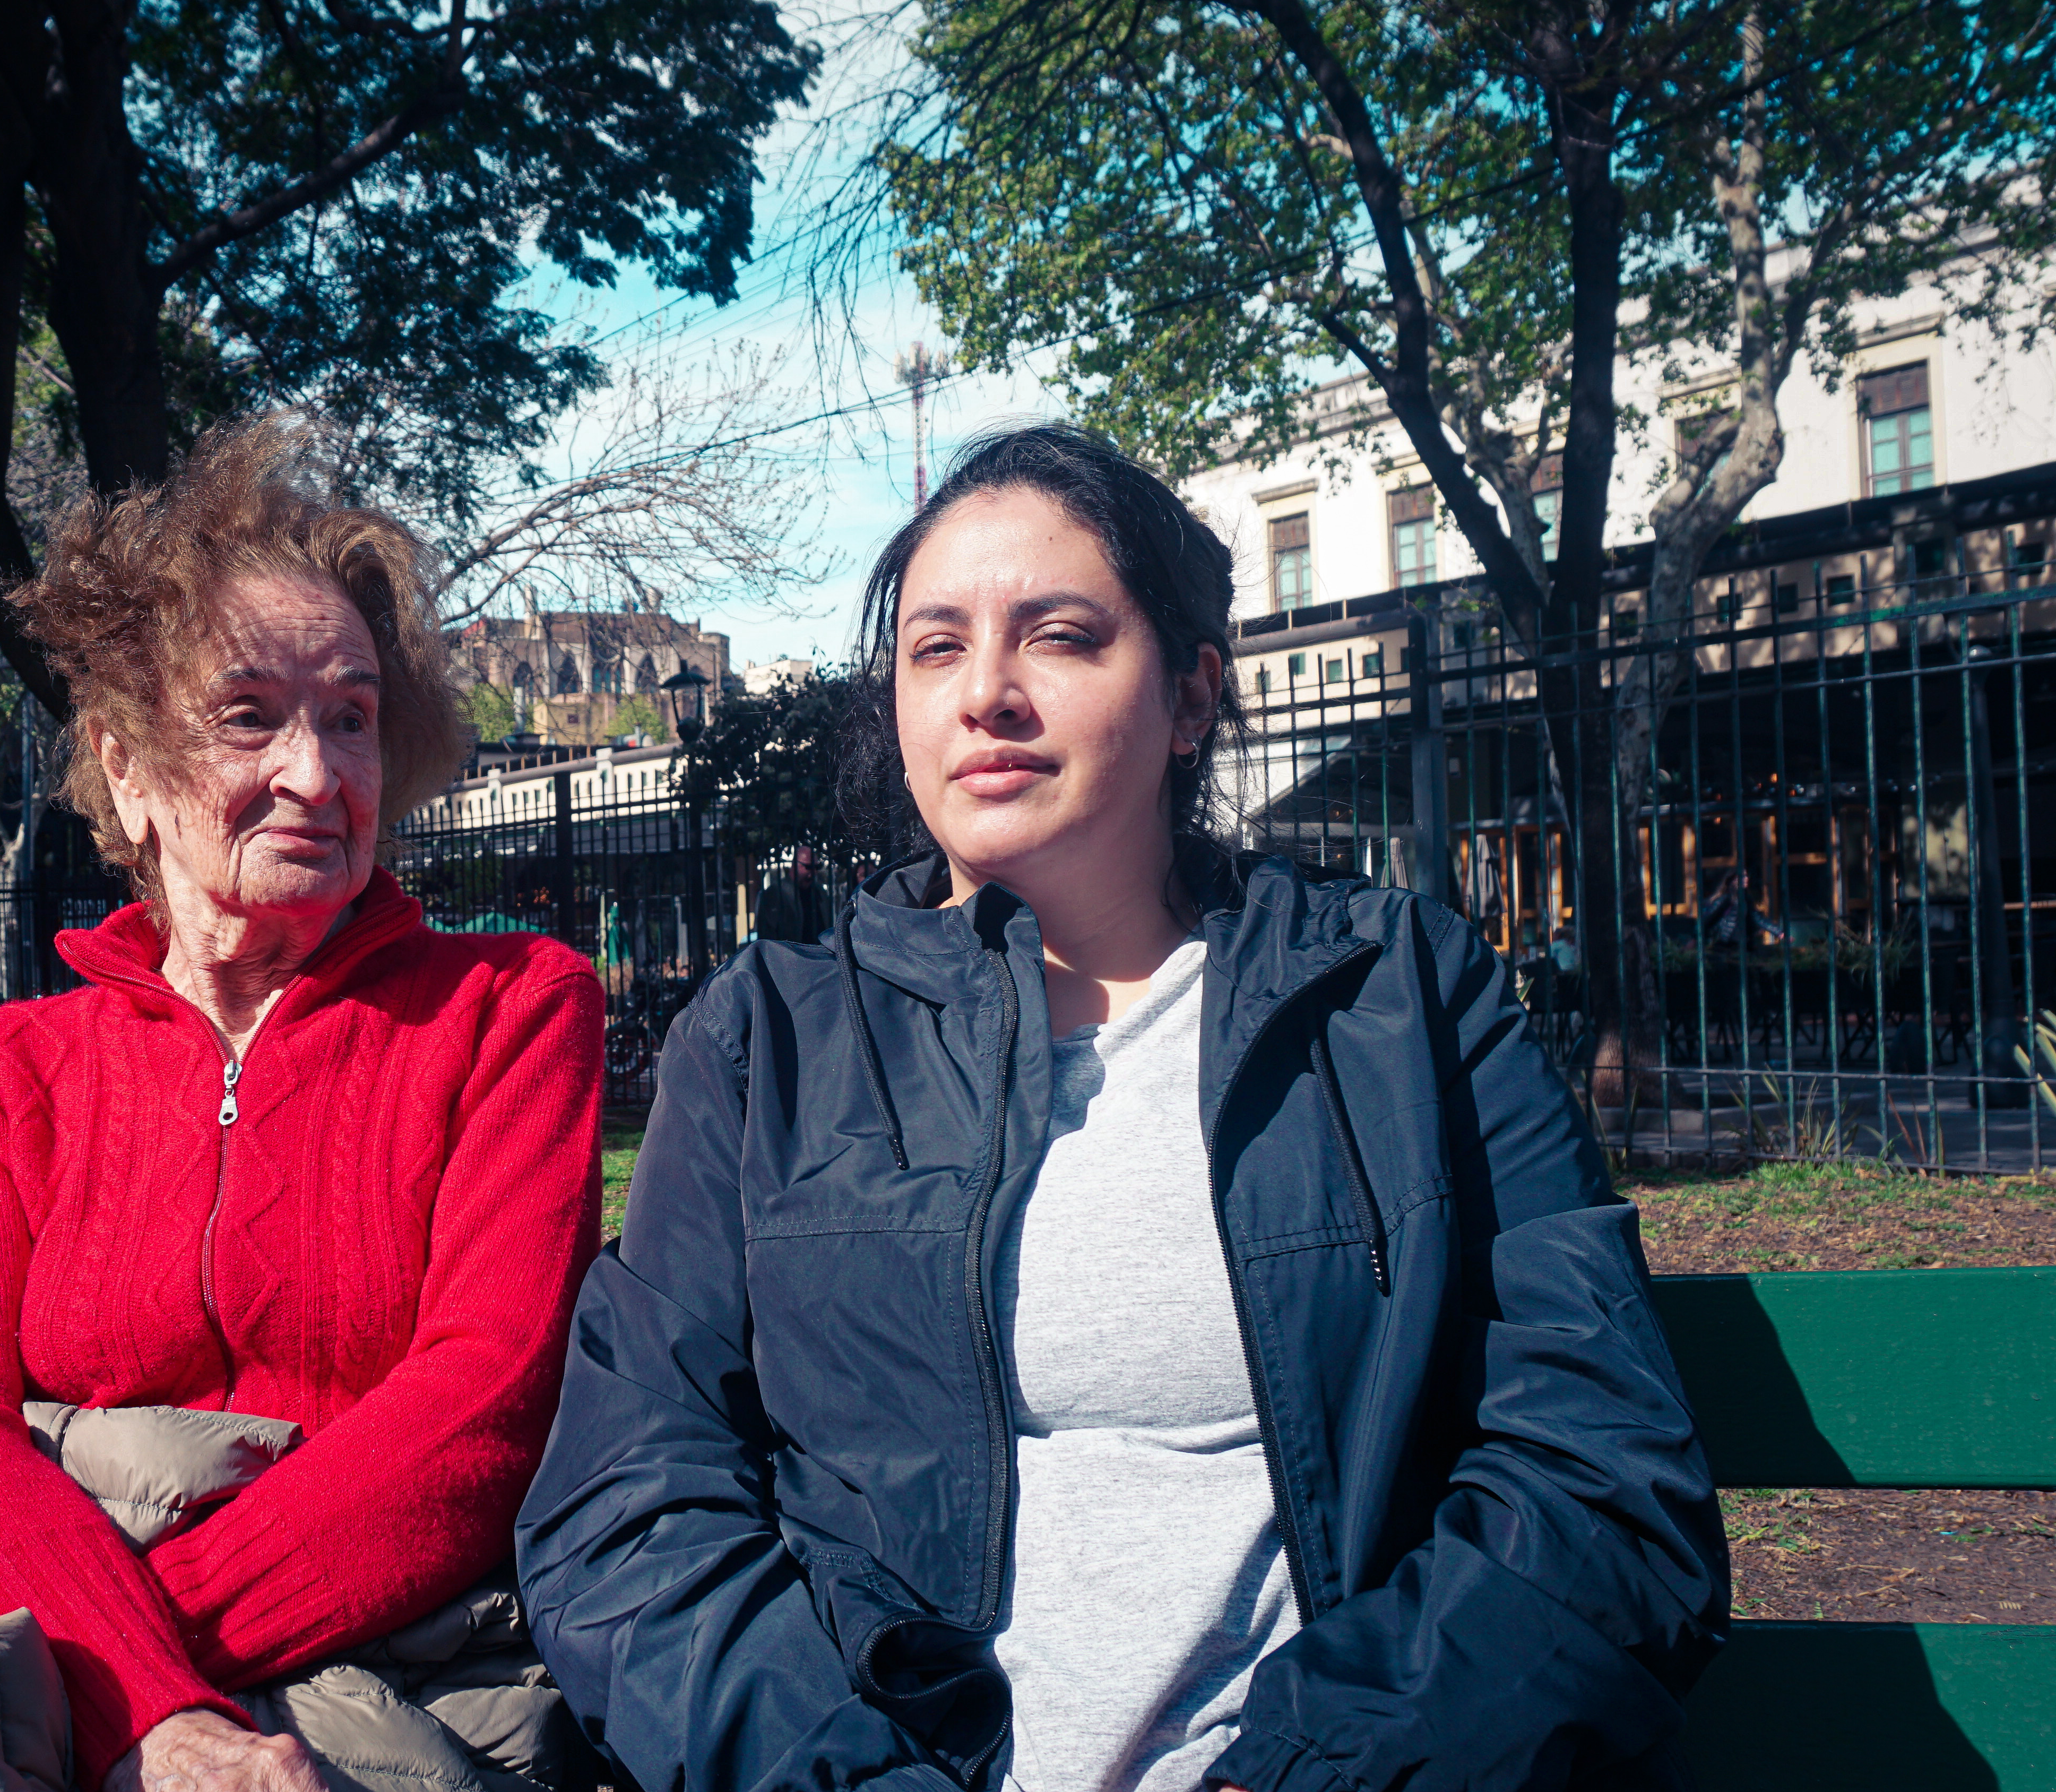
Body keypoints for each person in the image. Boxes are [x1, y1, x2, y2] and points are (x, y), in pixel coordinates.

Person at [516, 426, 1727, 1792]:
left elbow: (1597, 1486)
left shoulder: (1398, 998)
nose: (986, 694)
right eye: (935, 647)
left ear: (1193, 696)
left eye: (1062, 636)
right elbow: (631, 1508)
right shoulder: (764, 1041)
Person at [0, 413, 605, 1792]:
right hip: (38, 1653)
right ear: (126, 769)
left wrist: (89, 1669)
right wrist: (142, 1706)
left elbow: (478, 1415)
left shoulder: (510, 1009)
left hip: (367, 1667)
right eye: (250, 714)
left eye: (354, 718)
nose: (317, 774)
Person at [755, 844, 834, 945]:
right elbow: (767, 936)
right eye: (808, 867)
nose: (812, 873)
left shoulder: (820, 893)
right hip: (788, 957)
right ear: (795, 865)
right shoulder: (775, 893)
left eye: (816, 867)